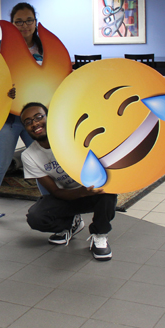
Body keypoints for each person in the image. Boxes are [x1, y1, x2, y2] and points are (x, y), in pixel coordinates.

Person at [20, 102, 116, 260]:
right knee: (35, 217)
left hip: (94, 191)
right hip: (68, 195)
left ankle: (100, 235)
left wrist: (89, 189)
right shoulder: (29, 155)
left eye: (38, 117)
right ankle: (69, 226)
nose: (35, 123)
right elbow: (55, 192)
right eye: (28, 122)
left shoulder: (73, 136)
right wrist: (82, 192)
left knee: (109, 191)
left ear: (49, 117)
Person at [0, 3, 47, 224]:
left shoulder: (46, 48)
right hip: (7, 117)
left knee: (41, 160)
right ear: (12, 23)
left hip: (35, 117)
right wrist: (2, 90)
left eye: (28, 20)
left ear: (35, 22)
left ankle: (50, 203)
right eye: (19, 21)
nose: (24, 25)